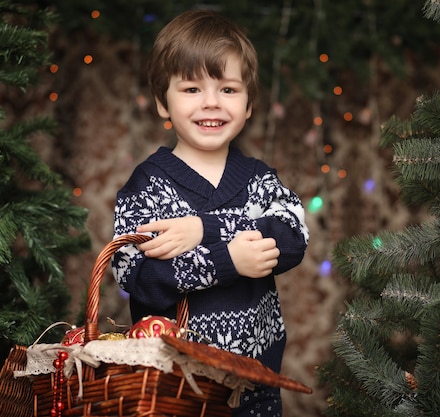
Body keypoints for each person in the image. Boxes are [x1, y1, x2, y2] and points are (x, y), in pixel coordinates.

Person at [111, 9, 309, 417]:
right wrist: (227, 260)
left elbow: (292, 233)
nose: (211, 103)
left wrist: (204, 228)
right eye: (191, 89)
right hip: (173, 386)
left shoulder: (258, 179)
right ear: (162, 103)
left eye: (229, 89)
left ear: (250, 103)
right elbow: (137, 276)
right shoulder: (148, 185)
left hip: (255, 378)